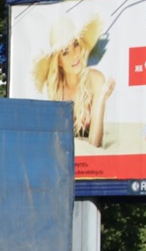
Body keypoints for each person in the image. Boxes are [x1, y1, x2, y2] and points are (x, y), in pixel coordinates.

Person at [32, 13, 115, 149]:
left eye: (75, 44)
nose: (74, 54)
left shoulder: (96, 79)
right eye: (65, 52)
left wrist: (101, 98)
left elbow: (95, 143)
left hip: (90, 166)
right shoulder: (55, 88)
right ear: (58, 61)